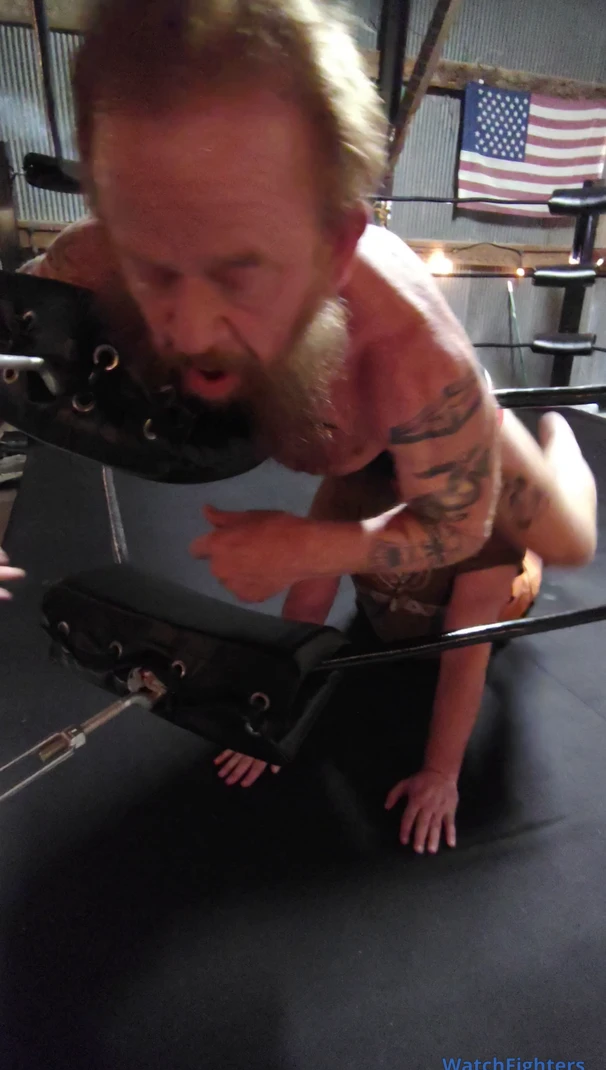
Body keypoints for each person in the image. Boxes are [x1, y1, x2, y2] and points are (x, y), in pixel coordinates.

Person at [19, 0, 596, 600]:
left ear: (336, 249)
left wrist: (306, 549)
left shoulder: (412, 359)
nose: (189, 334)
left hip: (426, 425)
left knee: (569, 542)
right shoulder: (92, 255)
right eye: (152, 264)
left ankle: (560, 434)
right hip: (354, 446)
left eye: (240, 272)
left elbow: (459, 527)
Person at [215, 420, 553, 855]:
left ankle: (553, 439)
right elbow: (307, 608)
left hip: (503, 596)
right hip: (388, 612)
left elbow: (465, 653)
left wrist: (441, 774)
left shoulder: (491, 513)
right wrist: (270, 713)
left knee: (538, 532)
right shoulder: (352, 486)